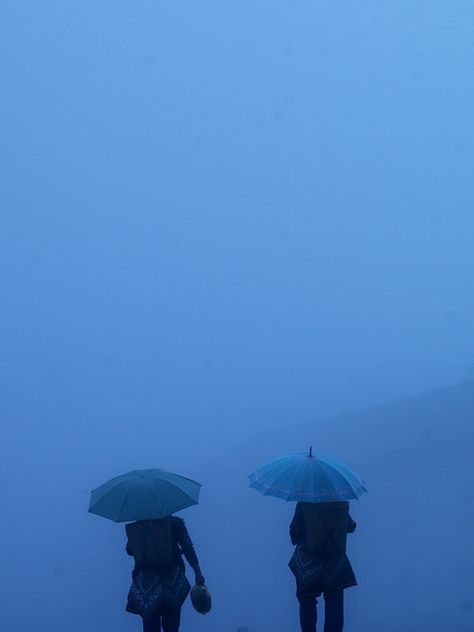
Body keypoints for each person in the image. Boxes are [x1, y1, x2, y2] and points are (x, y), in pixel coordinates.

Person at [125, 516, 205, 632]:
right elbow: (187, 547)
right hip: (172, 582)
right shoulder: (176, 523)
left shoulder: (139, 525)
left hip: (146, 584)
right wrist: (198, 572)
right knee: (172, 625)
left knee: (150, 624)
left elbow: (129, 550)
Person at [289, 501, 357, 632]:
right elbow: (351, 526)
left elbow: (295, 532)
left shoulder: (305, 498)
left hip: (309, 563)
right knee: (334, 601)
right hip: (335, 563)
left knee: (307, 600)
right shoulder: (339, 500)